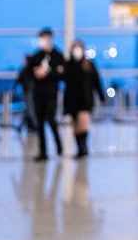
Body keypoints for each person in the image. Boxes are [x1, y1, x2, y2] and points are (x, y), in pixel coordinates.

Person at [22, 28, 65, 161]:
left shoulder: (58, 55)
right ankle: (43, 152)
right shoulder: (36, 56)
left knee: (51, 120)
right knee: (39, 122)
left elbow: (62, 74)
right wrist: (35, 72)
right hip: (38, 94)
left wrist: (47, 72)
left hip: (51, 93)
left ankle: (59, 147)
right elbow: (28, 73)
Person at [62, 40, 105, 158]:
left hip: (85, 98)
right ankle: (80, 148)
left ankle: (84, 146)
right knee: (75, 125)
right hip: (71, 99)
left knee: (84, 123)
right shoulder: (68, 64)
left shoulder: (89, 64)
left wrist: (102, 96)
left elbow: (96, 81)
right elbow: (62, 78)